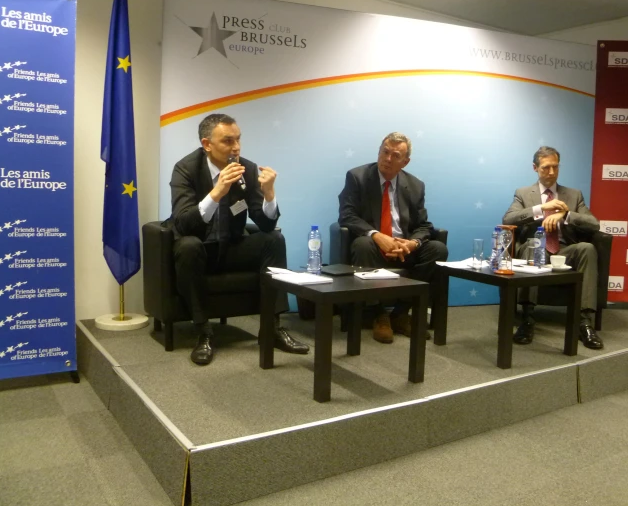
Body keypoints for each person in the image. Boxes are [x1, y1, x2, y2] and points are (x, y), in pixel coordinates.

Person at [167, 113, 309, 365]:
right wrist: (217, 192)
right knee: (188, 245)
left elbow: (266, 223)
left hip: (231, 246)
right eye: (228, 141)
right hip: (199, 248)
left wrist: (269, 194)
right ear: (207, 144)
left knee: (273, 239)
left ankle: (272, 328)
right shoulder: (185, 169)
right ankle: (203, 330)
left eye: (238, 140)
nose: (236, 148)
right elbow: (183, 222)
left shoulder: (247, 168)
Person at [338, 132, 448, 344]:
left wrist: (412, 243)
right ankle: (379, 314)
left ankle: (400, 313)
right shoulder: (357, 177)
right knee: (362, 244)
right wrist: (377, 235)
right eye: (384, 152)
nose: (387, 159)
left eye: (395, 155)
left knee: (437, 249)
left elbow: (424, 225)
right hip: (373, 246)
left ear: (405, 162)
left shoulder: (415, 185)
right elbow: (347, 215)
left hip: (402, 248)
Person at [502, 146, 604, 350]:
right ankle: (527, 319)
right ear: (535, 168)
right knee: (533, 245)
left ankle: (584, 323)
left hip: (565, 250)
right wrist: (542, 209)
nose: (551, 173)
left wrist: (566, 215)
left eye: (555, 167)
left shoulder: (573, 195)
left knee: (587, 248)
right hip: (535, 249)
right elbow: (508, 218)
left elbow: (594, 224)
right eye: (546, 168)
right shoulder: (523, 194)